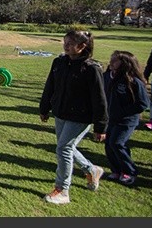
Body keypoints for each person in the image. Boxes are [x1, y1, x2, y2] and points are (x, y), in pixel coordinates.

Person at [39, 29, 108, 204]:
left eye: (70, 44)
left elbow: (99, 99)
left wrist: (101, 126)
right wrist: (44, 107)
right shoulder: (59, 62)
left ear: (82, 46)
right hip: (60, 113)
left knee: (64, 149)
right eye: (65, 42)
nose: (66, 46)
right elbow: (50, 86)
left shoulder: (92, 69)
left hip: (80, 117)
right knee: (66, 148)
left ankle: (62, 190)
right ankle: (91, 169)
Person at [103, 50, 150, 186]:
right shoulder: (108, 76)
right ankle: (116, 170)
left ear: (125, 64)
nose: (111, 62)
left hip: (127, 120)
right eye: (111, 59)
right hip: (110, 118)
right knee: (109, 145)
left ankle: (129, 172)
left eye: (115, 60)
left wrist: (123, 112)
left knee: (117, 143)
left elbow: (143, 103)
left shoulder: (133, 81)